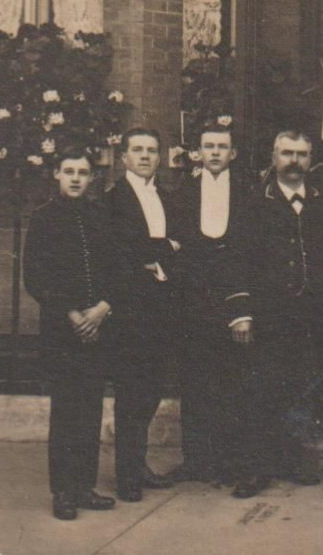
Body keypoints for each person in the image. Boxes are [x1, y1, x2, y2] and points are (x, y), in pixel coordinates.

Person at [229, 131, 323, 499]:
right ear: (274, 156)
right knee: (260, 392)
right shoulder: (254, 204)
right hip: (268, 317)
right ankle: (255, 469)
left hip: (309, 318)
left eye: (301, 154)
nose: (294, 161)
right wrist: (241, 313)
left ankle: (293, 462)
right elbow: (238, 261)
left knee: (300, 392)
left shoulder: (321, 204)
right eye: (287, 153)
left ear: (311, 159)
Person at [22, 148, 124, 521]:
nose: (76, 178)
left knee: (91, 406)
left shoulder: (101, 217)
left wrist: (101, 309)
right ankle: (63, 490)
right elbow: (35, 275)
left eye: (83, 172)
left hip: (98, 326)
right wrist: (71, 313)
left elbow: (117, 268)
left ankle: (84, 486)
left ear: (92, 177)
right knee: (66, 409)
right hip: (62, 330)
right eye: (69, 171)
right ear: (57, 175)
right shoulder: (44, 219)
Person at [167, 121, 258, 487]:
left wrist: (242, 309)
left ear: (232, 153)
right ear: (199, 152)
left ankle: (231, 463)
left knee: (233, 383)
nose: (216, 152)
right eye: (209, 146)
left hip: (234, 304)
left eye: (222, 146)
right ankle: (196, 461)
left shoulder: (249, 195)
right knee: (195, 382)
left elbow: (253, 255)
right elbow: (175, 249)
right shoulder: (182, 194)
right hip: (194, 301)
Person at [101, 128, 181, 502]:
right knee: (132, 395)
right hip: (131, 312)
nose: (145, 156)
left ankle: (137, 464)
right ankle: (127, 477)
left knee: (150, 393)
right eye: (138, 150)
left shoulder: (165, 196)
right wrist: (160, 248)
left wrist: (156, 253)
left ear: (159, 158)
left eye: (152, 150)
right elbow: (119, 253)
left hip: (163, 309)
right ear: (124, 158)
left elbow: (179, 248)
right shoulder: (113, 200)